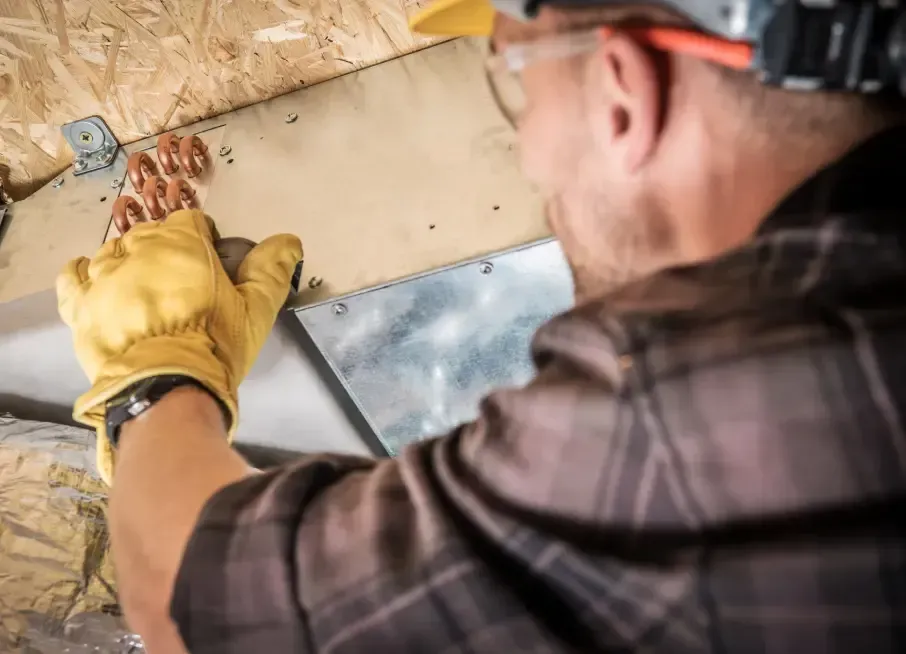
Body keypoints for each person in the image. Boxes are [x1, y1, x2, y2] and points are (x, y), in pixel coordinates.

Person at [56, 0, 906, 652]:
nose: (529, 148)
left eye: (516, 80)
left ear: (623, 90)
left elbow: (194, 595)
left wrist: (154, 374)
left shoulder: (695, 408)